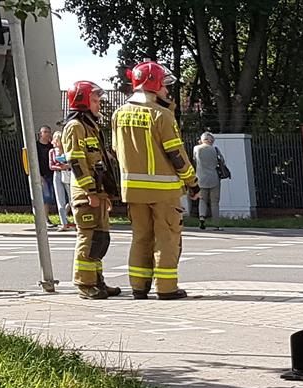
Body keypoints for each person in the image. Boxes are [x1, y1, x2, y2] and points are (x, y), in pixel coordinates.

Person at [113, 60, 197, 299]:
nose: (167, 91)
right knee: (167, 237)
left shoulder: (118, 114)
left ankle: (139, 287)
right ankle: (166, 287)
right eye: (164, 86)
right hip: (164, 190)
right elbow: (176, 155)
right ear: (154, 85)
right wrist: (192, 182)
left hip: (132, 191)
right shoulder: (162, 115)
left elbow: (115, 150)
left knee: (140, 237)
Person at [57, 80, 123, 300]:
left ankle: (97, 280)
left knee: (100, 239)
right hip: (86, 193)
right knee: (89, 238)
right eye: (94, 100)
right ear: (82, 101)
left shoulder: (90, 126)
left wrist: (104, 194)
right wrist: (90, 192)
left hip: (97, 192)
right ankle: (85, 284)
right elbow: (77, 162)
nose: (98, 104)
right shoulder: (76, 127)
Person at [25, 125, 59, 225]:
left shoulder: (51, 146)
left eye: (49, 132)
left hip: (53, 174)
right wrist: (38, 175)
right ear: (41, 134)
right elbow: (33, 162)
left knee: (53, 196)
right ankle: (45, 219)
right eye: (46, 132)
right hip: (42, 175)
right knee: (45, 197)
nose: (48, 134)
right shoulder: (36, 147)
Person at [193, 132, 221, 228]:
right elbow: (222, 161)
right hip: (213, 178)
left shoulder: (196, 148)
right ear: (211, 140)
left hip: (200, 178)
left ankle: (201, 218)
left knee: (202, 199)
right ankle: (216, 224)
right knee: (214, 202)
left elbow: (194, 160)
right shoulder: (215, 149)